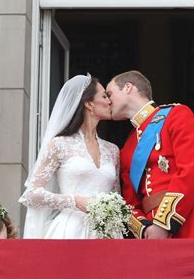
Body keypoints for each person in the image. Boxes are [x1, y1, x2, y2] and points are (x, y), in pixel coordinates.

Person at [106, 70, 194, 239]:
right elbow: (130, 203)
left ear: (128, 88)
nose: (107, 101)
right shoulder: (128, 147)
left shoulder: (176, 115)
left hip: (186, 222)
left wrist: (163, 223)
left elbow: (191, 172)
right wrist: (145, 229)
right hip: (151, 234)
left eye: (109, 94)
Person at [19, 74, 120, 239]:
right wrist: (74, 201)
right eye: (104, 96)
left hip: (106, 233)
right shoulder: (59, 145)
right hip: (70, 231)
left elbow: (116, 196)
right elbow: (32, 194)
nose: (109, 101)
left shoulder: (113, 150)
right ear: (88, 103)